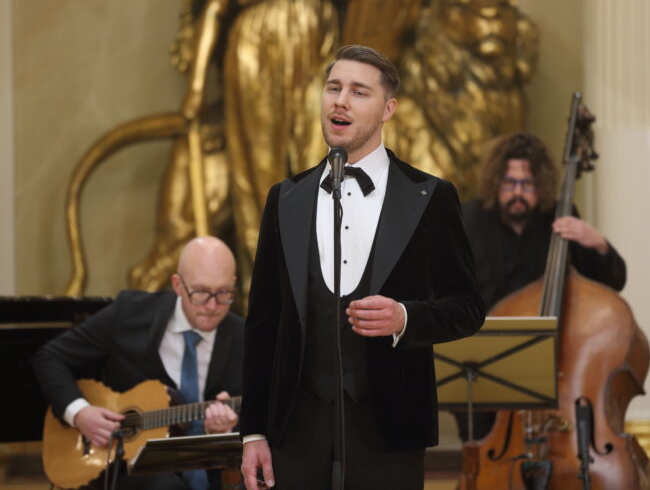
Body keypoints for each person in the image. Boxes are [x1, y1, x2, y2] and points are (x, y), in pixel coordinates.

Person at [238, 44, 485, 490]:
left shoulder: (430, 197)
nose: (340, 100)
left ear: (388, 108)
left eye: (358, 91)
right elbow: (262, 324)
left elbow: (468, 306)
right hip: (294, 428)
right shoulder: (285, 199)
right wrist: (252, 431)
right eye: (333, 88)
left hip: (390, 426)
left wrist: (406, 317)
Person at [33, 236, 244, 490]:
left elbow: (258, 417)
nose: (212, 306)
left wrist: (224, 431)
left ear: (234, 285)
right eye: (199, 292)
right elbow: (50, 357)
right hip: (125, 466)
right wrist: (79, 413)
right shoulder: (130, 314)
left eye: (223, 293)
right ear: (177, 284)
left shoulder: (245, 337)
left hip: (211, 470)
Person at [457, 132, 627, 441]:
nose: (518, 193)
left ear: (542, 185)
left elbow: (613, 282)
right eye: (509, 183)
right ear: (496, 182)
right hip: (485, 363)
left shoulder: (560, 218)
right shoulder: (469, 220)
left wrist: (598, 244)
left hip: (552, 362)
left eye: (528, 184)